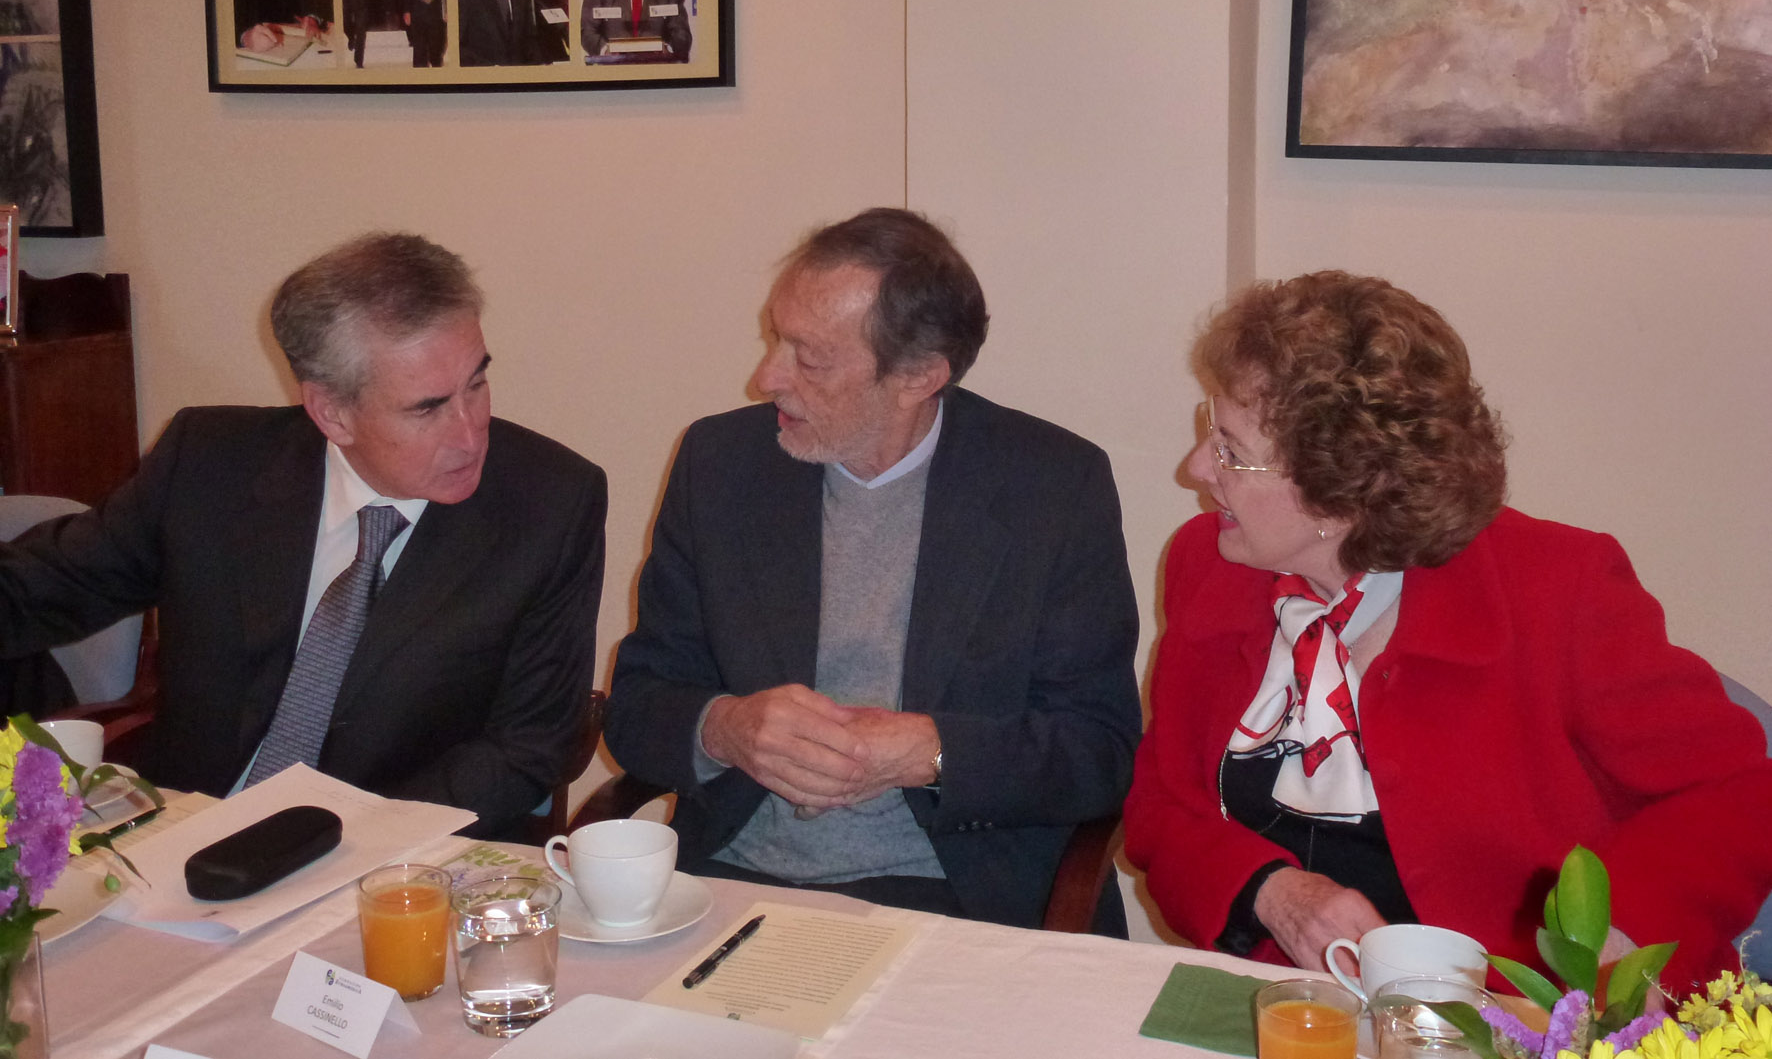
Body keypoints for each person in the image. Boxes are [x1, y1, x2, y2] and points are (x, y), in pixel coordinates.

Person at [1122, 270, 1772, 991]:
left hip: (1514, 1015)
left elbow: (1736, 791)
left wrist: (1610, 950)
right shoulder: (1209, 567)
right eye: (1210, 429)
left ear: (1343, 491)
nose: (1196, 468)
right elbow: (1161, 806)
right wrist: (1272, 892)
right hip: (1284, 1010)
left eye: (1231, 449)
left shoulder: (1556, 588)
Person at [605, 208, 1141, 929]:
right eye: (775, 338)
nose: (766, 378)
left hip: (953, 897)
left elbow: (1099, 751)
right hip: (737, 877)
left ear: (918, 375)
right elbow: (638, 704)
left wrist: (932, 752)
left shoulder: (1051, 486)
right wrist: (725, 728)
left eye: (809, 359)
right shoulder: (722, 464)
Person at [0, 232, 607, 838]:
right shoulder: (209, 463)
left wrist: (334, 841)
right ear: (331, 413)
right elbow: (40, 589)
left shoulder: (549, 505)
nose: (471, 434)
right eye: (427, 408)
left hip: (398, 852)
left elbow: (528, 748)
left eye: (476, 384)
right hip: (189, 832)